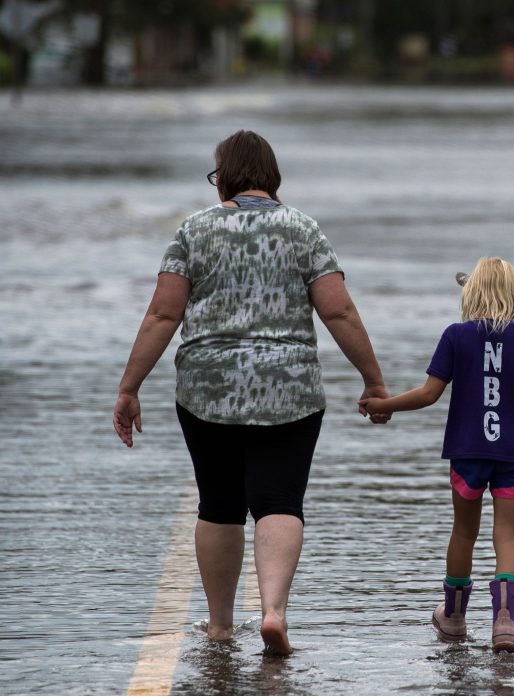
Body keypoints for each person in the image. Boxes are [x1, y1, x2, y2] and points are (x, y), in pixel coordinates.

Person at [113, 130, 389, 656]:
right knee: (280, 500)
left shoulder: (194, 230)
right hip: (290, 389)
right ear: (272, 176)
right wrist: (372, 380)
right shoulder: (303, 229)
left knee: (219, 504)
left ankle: (219, 627)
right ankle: (273, 613)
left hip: (207, 389)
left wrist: (130, 387)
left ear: (226, 178)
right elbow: (338, 311)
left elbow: (163, 315)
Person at [359, 257, 514, 653]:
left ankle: (454, 618)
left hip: (467, 452)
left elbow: (429, 394)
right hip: (512, 452)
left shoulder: (455, 336)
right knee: (508, 536)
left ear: (470, 293)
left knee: (464, 531)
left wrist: (386, 404)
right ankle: (504, 625)